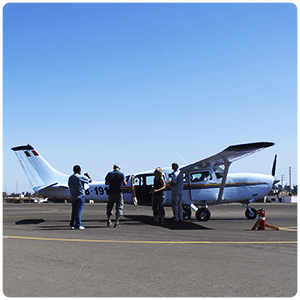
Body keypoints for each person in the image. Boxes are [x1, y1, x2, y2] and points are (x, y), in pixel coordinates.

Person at [68, 165, 92, 230]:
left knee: (74, 211)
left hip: (73, 196)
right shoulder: (80, 177)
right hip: (80, 196)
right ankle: (78, 225)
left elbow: (70, 187)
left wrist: (71, 196)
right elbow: (89, 180)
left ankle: (72, 224)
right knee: (79, 211)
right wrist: (88, 176)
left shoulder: (70, 178)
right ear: (79, 171)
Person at [105, 164, 127, 228]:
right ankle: (116, 222)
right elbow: (124, 183)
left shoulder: (109, 174)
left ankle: (109, 220)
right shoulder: (121, 174)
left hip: (111, 192)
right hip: (119, 192)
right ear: (119, 168)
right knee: (119, 207)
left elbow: (106, 182)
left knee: (110, 206)